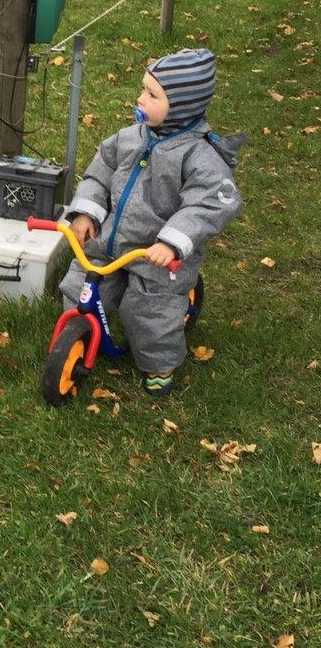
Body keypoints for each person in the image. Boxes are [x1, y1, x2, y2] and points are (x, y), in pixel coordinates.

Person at [61, 48, 243, 396]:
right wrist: (86, 212)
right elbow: (100, 173)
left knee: (148, 311)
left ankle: (160, 364)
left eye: (152, 94)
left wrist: (172, 242)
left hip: (157, 254)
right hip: (111, 240)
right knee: (78, 285)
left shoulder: (200, 156)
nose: (141, 98)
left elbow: (210, 203)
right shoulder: (130, 137)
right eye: (143, 89)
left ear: (182, 106)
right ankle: (83, 335)